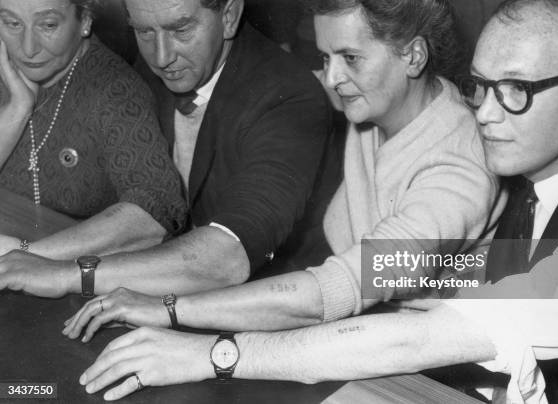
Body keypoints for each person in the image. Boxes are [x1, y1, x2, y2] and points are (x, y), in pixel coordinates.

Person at [73, 0, 558, 402]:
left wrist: (193, 330)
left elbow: (374, 303)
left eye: (516, 89)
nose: (488, 114)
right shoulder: (405, 105)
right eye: (481, 86)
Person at [0, 0, 336, 298]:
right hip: (163, 283)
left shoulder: (289, 97)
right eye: (144, 31)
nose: (161, 56)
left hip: (270, 298)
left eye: (181, 29)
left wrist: (62, 270)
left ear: (230, 15)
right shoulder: (158, 61)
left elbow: (227, 257)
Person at [0, 0, 187, 261]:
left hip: (79, 274)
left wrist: (27, 256)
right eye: (12, 23)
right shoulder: (6, 70)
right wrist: (17, 110)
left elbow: (155, 211)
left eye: (48, 25)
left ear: (85, 21)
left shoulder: (116, 91)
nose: (28, 48)